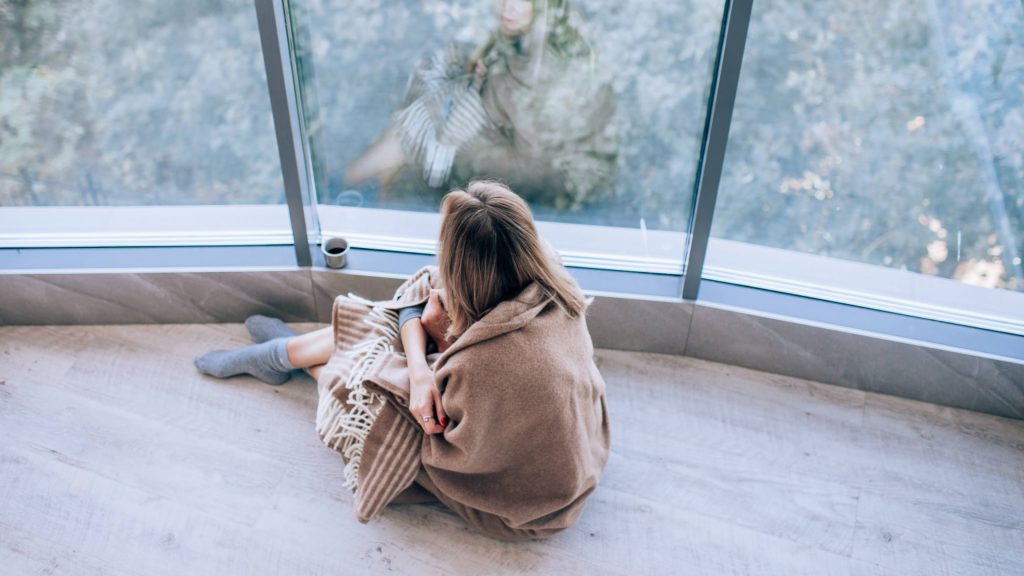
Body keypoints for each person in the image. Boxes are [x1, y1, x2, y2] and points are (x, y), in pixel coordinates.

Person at [194, 180, 611, 541]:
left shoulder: (487, 366)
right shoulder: (549, 277)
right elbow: (420, 297)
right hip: (576, 450)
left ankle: (288, 357)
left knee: (366, 385)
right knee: (390, 330)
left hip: (525, 505)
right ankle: (285, 354)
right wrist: (419, 367)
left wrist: (422, 363)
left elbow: (446, 437)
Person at [342, 0, 618, 211]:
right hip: (497, 136)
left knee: (410, 152)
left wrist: (460, 155)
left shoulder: (545, 65)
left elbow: (537, 164)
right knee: (421, 122)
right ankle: (351, 190)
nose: (507, 6)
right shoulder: (528, 35)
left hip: (541, 181)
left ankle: (348, 190)